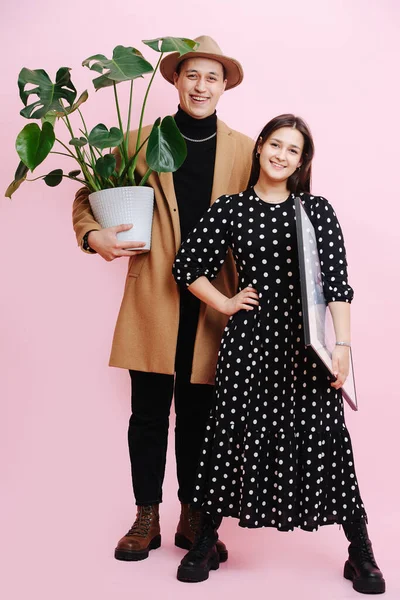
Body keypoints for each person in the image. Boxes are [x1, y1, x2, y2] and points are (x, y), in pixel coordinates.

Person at [172, 114, 386, 594]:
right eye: (275, 144)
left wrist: (343, 346)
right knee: (230, 436)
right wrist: (225, 303)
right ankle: (206, 538)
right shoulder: (231, 208)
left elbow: (336, 283)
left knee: (327, 439)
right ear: (260, 148)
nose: (281, 155)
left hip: (305, 345)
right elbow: (186, 265)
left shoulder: (315, 210)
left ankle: (360, 550)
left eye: (293, 150)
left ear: (301, 162)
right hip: (249, 344)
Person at [72, 35, 254, 562]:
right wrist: (93, 236)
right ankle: (146, 516)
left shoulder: (245, 149)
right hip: (153, 294)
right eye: (192, 75)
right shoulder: (138, 140)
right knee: (148, 413)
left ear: (224, 86)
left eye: (212, 77)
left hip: (216, 301)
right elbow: (88, 192)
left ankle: (193, 515)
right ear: (176, 79)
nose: (201, 86)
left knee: (200, 414)